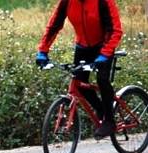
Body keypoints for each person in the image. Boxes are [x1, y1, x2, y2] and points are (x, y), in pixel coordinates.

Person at [36, 0, 123, 139]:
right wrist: (43, 51)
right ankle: (101, 110)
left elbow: (115, 30)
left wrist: (104, 55)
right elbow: (54, 25)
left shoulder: (103, 2)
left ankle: (110, 121)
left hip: (103, 46)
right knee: (79, 84)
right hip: (82, 47)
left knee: (102, 80)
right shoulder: (67, 2)